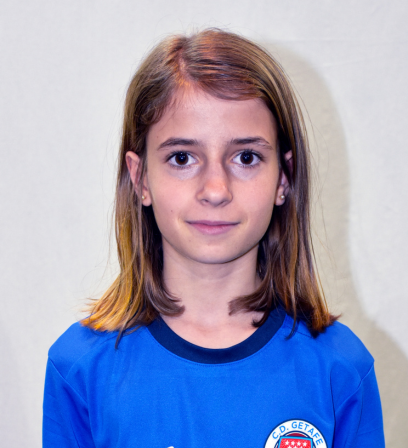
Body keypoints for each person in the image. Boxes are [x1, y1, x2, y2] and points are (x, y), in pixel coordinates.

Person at [42, 28, 385, 448]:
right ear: (140, 178)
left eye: (246, 157)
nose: (216, 190)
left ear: (284, 178)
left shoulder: (340, 369)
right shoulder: (79, 368)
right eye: (182, 158)